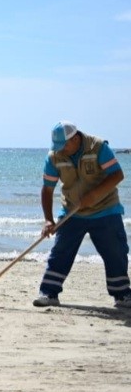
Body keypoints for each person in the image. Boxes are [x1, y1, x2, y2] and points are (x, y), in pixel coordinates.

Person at [34, 122, 131, 309]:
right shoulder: (54, 156)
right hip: (72, 211)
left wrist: (94, 195)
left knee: (115, 253)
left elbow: (117, 175)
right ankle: (48, 293)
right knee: (60, 252)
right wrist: (48, 219)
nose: (61, 150)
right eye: (58, 146)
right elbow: (47, 189)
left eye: (64, 145)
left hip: (106, 210)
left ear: (76, 138)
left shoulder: (98, 147)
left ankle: (122, 295)